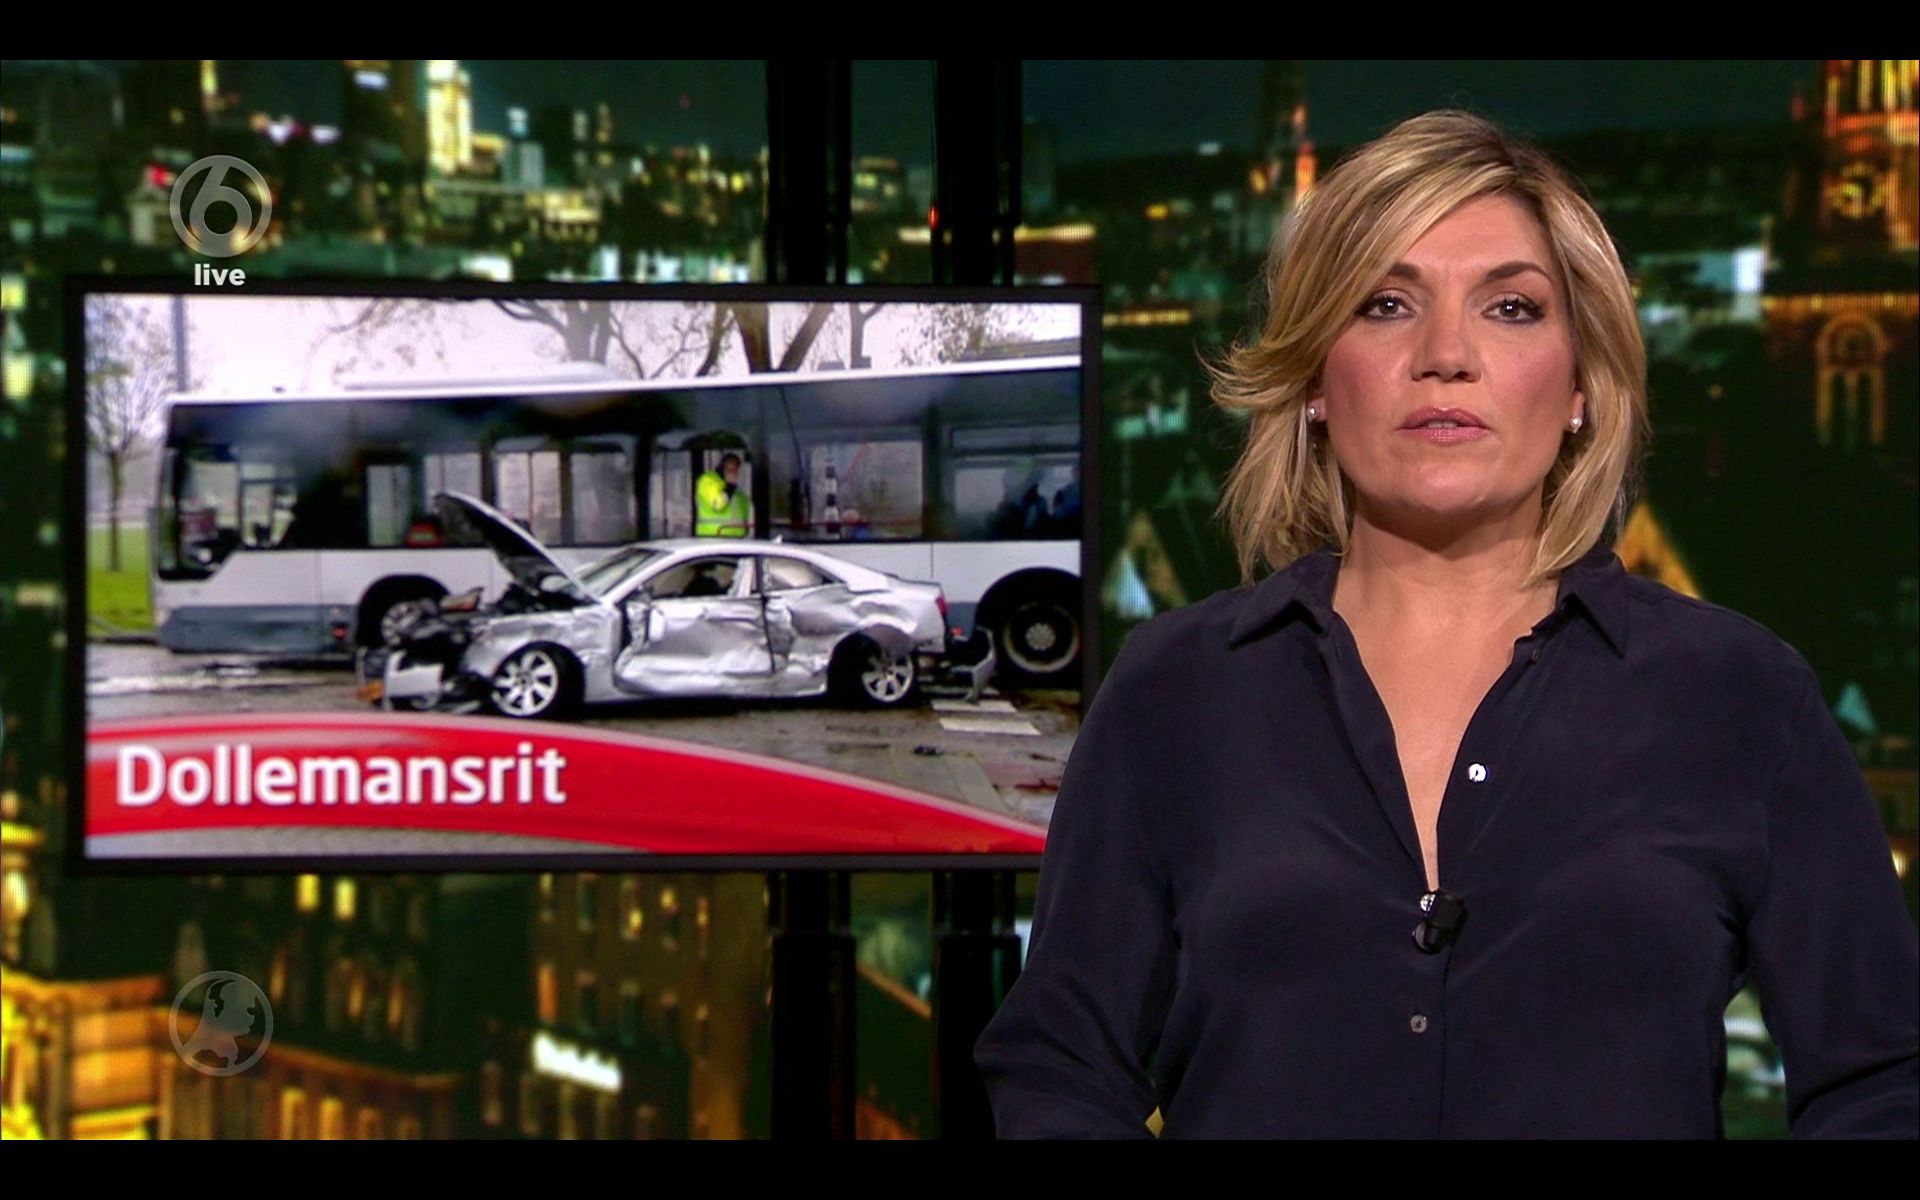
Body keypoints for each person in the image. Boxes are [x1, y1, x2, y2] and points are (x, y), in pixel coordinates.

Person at [971, 109, 1918, 1140]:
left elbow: (1882, 1079)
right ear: (1315, 377)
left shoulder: (1737, 694)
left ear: (1581, 385)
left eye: (1511, 308)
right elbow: (1061, 1065)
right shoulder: (1176, 688)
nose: (1447, 355)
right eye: (1386, 305)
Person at [695, 452, 750, 537]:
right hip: (713, 537)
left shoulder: (736, 490)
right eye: (729, 469)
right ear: (722, 467)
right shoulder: (709, 480)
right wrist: (730, 486)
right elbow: (718, 505)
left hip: (736, 538)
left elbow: (746, 510)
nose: (733, 473)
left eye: (735, 469)